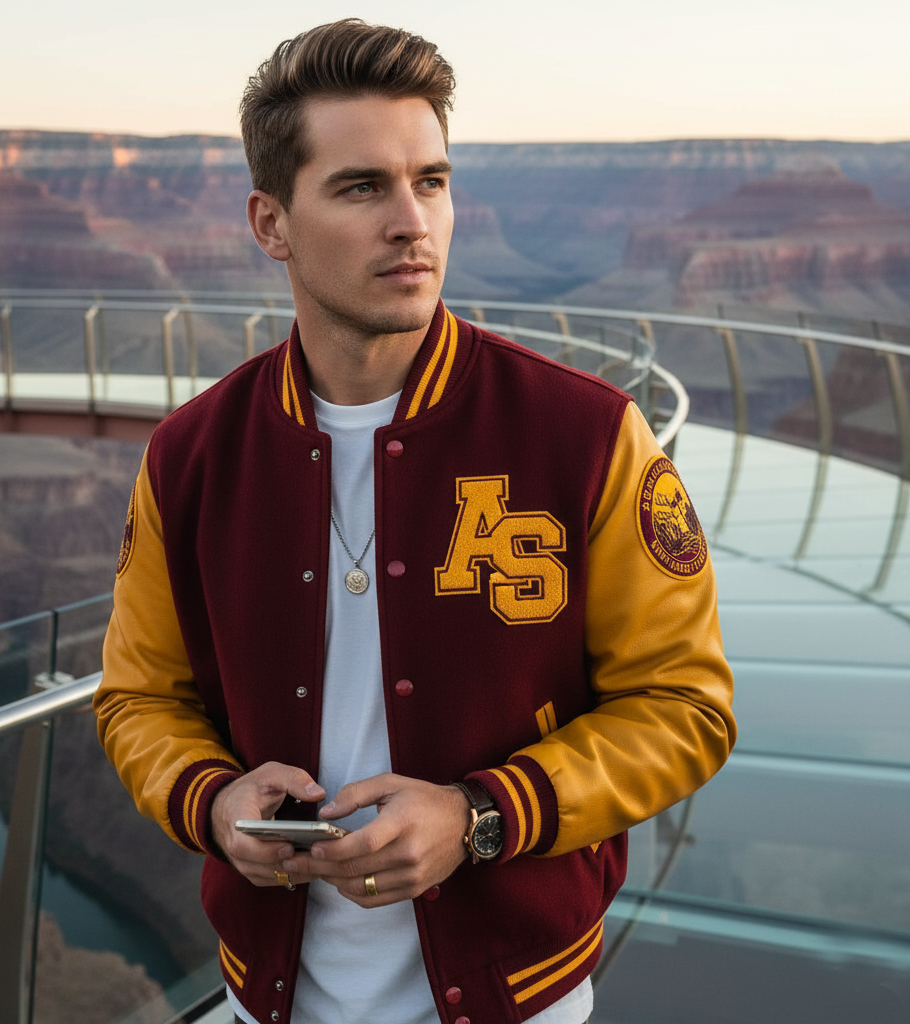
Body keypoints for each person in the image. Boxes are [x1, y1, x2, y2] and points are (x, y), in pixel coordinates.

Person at [94, 19, 735, 1024]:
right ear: (271, 224)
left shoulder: (588, 435)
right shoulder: (191, 457)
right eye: (361, 187)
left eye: (430, 181)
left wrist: (478, 815)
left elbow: (685, 706)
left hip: (519, 996)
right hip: (264, 991)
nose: (412, 221)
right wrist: (211, 801)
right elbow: (138, 698)